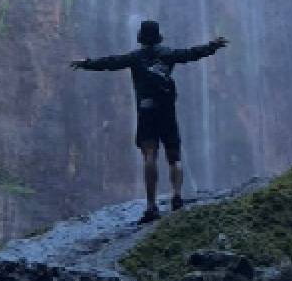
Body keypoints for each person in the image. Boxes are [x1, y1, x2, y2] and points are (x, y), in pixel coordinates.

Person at [71, 20, 228, 224]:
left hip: (146, 110)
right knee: (174, 156)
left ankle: (151, 205)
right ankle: (177, 196)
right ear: (158, 36)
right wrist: (212, 46)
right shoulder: (168, 53)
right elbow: (191, 53)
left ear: (141, 37)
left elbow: (111, 63)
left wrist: (86, 63)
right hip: (167, 109)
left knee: (149, 155)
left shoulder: (135, 57)